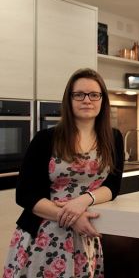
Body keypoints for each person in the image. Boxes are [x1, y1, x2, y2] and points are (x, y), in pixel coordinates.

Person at [3, 68, 124, 278]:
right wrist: (69, 216)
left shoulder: (113, 137)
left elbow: (112, 186)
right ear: (69, 99)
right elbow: (25, 194)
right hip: (43, 233)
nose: (87, 100)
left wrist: (82, 201)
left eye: (94, 94)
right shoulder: (45, 139)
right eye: (79, 94)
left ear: (103, 100)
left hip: (84, 236)